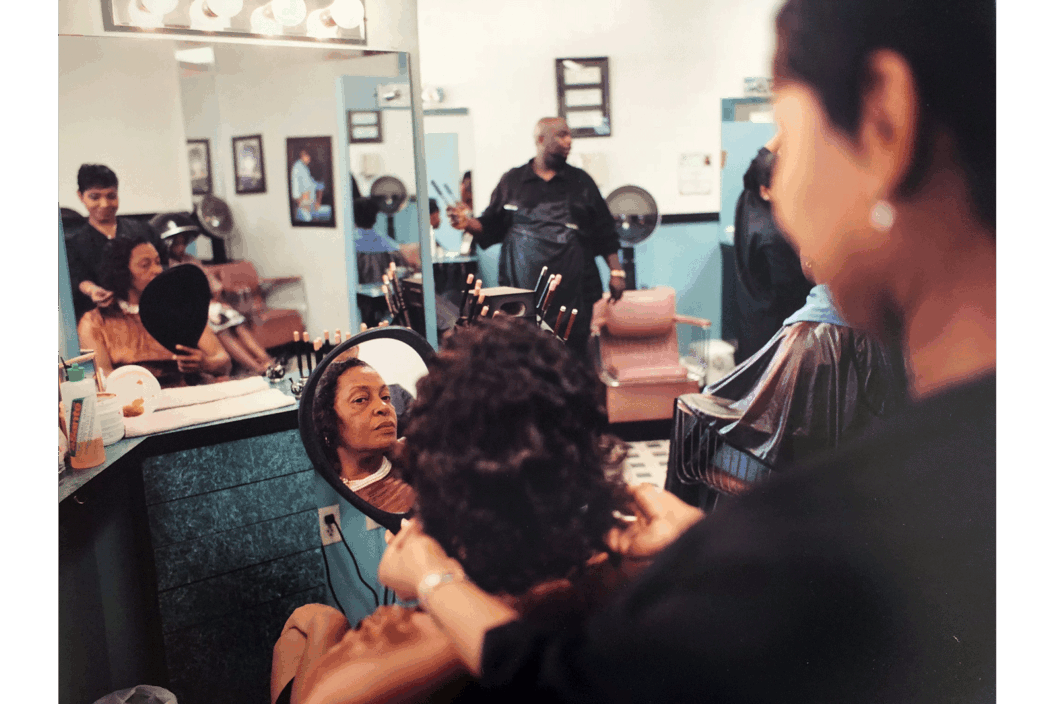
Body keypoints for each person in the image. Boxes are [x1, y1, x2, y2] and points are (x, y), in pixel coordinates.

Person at [378, 1, 996, 701]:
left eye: (788, 141)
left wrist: (432, 574)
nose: (781, 203)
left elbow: (577, 685)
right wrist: (701, 548)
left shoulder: (844, 536)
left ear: (886, 119)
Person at [271, 318, 634, 704]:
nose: (384, 411)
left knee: (315, 621)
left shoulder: (383, 666)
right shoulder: (609, 581)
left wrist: (429, 579)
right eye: (363, 400)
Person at [666, 277, 906, 507]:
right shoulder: (891, 320)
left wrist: (701, 402)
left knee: (691, 416)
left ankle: (687, 540)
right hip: (869, 474)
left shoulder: (811, 332)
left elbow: (760, 411)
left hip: (798, 477)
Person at [447, 118, 626, 356]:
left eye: (569, 135)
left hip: (575, 292)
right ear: (541, 139)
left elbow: (604, 230)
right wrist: (468, 224)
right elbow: (491, 226)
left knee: (573, 358)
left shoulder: (581, 182)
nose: (569, 141)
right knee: (526, 357)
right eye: (561, 135)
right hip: (522, 292)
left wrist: (616, 271)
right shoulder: (512, 181)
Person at [78, 236, 232, 388]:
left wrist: (205, 364)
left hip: (186, 397)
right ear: (121, 271)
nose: (158, 270)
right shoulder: (95, 322)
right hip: (134, 405)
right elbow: (103, 379)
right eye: (145, 265)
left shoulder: (179, 308)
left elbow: (224, 362)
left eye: (158, 262)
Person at [154, 215, 277, 376]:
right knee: (221, 330)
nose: (181, 248)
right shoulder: (165, 267)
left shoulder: (191, 260)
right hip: (193, 314)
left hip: (210, 305)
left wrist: (217, 302)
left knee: (237, 323)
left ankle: (267, 361)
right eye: (177, 244)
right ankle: (255, 367)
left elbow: (214, 286)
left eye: (184, 242)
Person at [731, 140, 813, 363]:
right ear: (766, 191)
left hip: (749, 314)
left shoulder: (748, 197)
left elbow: (760, 159)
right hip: (773, 329)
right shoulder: (774, 236)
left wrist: (788, 132)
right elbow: (793, 291)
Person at [310, 353, 416, 514]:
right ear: (328, 420)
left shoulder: (421, 468)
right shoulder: (318, 496)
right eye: (360, 399)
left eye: (386, 397)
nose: (383, 407)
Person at [65, 164, 169, 321]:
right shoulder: (75, 244)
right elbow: (77, 278)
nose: (105, 204)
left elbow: (165, 265)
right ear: (81, 196)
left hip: (151, 314)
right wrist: (93, 290)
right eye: (95, 197)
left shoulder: (143, 231)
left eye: (111, 196)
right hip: (106, 321)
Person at [291, 149, 333, 223]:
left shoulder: (305, 168)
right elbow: (296, 192)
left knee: (329, 211)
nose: (309, 158)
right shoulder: (297, 168)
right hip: (303, 206)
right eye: (307, 156)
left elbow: (315, 185)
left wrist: (317, 202)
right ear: (302, 155)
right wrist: (302, 203)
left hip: (310, 205)